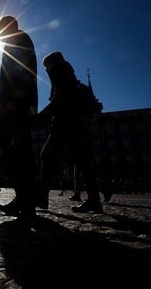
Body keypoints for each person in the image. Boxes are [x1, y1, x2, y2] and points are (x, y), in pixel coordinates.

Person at [38, 51, 103, 213]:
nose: (47, 70)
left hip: (66, 124)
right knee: (82, 162)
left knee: (47, 156)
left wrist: (38, 117)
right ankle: (94, 200)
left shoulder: (61, 75)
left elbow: (59, 101)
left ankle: (42, 198)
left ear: (53, 64)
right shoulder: (67, 74)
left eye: (47, 66)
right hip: (73, 124)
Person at [0, 16, 38, 219]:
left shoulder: (20, 40)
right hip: (16, 105)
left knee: (15, 150)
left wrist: (11, 100)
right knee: (16, 151)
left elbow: (20, 72)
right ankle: (24, 199)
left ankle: (25, 201)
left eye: (0, 30)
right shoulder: (15, 42)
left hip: (16, 106)